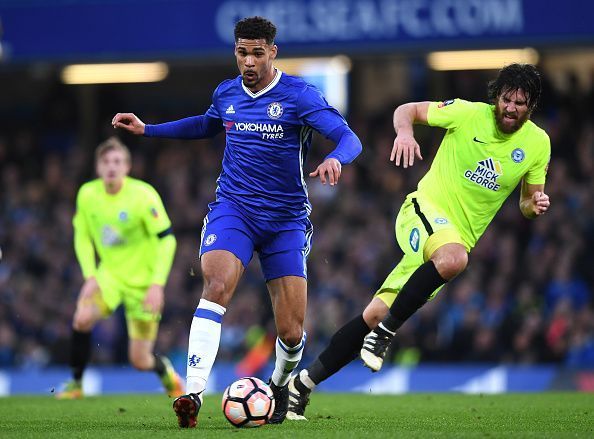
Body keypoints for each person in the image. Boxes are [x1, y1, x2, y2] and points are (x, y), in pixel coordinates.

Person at [112, 16, 362, 428]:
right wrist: (148, 129)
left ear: (273, 52)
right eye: (242, 52)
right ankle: (191, 392)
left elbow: (349, 137)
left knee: (293, 332)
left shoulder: (300, 95)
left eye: (257, 53)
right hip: (236, 209)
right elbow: (205, 125)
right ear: (235, 51)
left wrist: (336, 157)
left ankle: (279, 386)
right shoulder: (226, 93)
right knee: (216, 285)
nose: (248, 61)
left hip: (285, 220)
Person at [286, 63, 550, 420]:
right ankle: (384, 335)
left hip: (449, 244)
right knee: (455, 261)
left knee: (374, 314)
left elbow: (527, 202)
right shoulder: (467, 113)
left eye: (520, 103)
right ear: (496, 98)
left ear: (530, 106)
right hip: (423, 212)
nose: (511, 108)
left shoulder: (537, 143)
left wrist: (533, 206)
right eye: (506, 99)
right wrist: (405, 133)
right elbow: (405, 110)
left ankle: (301, 386)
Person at [56, 137, 182, 399]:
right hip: (109, 277)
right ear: (98, 167)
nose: (111, 166)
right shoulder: (87, 195)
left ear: (127, 166)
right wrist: (91, 275)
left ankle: (165, 371)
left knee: (139, 359)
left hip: (144, 283)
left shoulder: (144, 195)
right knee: (81, 318)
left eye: (117, 161)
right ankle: (77, 384)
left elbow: (167, 239)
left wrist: (157, 285)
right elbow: (82, 236)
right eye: (105, 162)